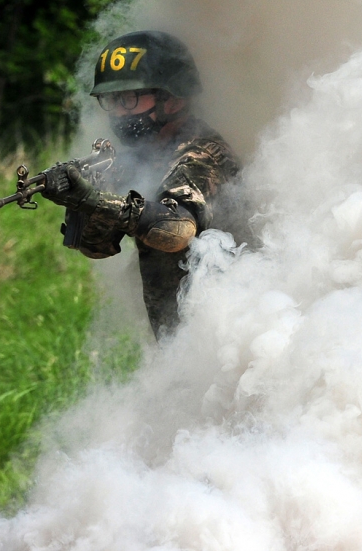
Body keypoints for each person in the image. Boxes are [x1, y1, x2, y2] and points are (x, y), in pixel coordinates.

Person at [40, 30, 240, 339]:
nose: (118, 112)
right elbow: (97, 248)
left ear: (172, 99)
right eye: (111, 100)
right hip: (180, 343)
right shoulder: (145, 158)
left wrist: (95, 200)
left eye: (129, 98)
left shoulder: (203, 153)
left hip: (231, 332)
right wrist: (80, 202)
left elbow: (177, 231)